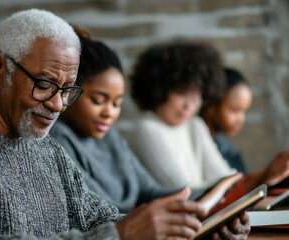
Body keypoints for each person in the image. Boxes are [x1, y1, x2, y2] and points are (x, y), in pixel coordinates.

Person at [0, 9, 231, 240]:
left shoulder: (42, 145)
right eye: (45, 84)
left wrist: (192, 227)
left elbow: (98, 217)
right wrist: (121, 235)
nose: (57, 104)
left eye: (67, 90)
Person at [51, 28, 250, 238]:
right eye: (98, 101)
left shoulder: (110, 136)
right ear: (69, 92)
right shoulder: (59, 140)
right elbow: (96, 214)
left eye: (117, 103)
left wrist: (214, 198)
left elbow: (150, 191)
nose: (109, 113)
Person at [127, 42, 289, 192]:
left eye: (196, 96)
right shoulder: (147, 128)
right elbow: (185, 192)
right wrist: (260, 177)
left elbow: (225, 178)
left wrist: (267, 174)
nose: (189, 105)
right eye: (182, 93)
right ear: (159, 89)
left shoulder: (195, 125)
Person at [200, 67, 289, 184]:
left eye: (244, 111)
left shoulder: (228, 149)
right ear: (211, 106)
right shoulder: (195, 145)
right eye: (235, 110)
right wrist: (263, 175)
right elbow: (230, 191)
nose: (241, 119)